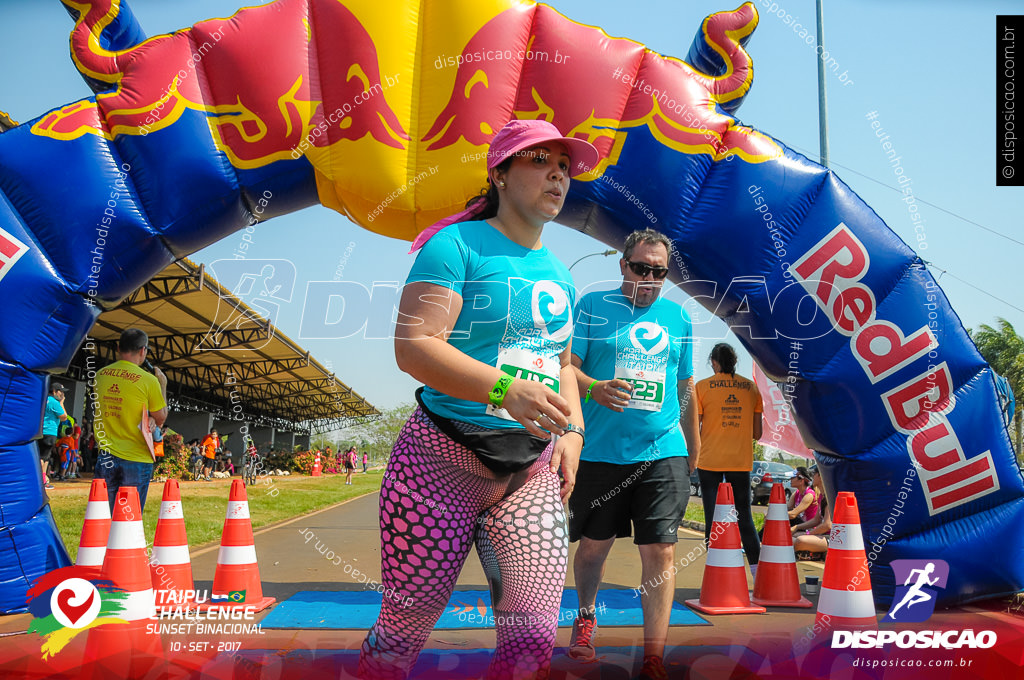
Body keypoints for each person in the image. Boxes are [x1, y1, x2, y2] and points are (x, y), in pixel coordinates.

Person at [359, 119, 595, 680]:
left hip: (530, 469)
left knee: (533, 631)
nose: (557, 176)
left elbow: (562, 363)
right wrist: (503, 389)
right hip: (439, 462)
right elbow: (414, 345)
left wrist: (575, 434)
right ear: (500, 173)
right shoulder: (454, 246)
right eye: (540, 162)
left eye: (564, 168)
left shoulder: (560, 274)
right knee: (407, 621)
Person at [567, 229, 699, 680]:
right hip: (600, 452)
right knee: (593, 548)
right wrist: (595, 390)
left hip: (662, 451)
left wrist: (691, 450)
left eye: (659, 272)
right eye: (641, 267)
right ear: (623, 264)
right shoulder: (591, 306)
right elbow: (568, 370)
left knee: (660, 552)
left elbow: (685, 388)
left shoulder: (679, 318)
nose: (649, 278)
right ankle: (585, 617)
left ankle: (653, 656)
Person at [695, 343, 764, 579]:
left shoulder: (702, 387)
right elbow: (757, 434)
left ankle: (716, 577)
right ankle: (757, 574)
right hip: (739, 462)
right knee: (744, 517)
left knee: (712, 517)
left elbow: (695, 428)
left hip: (709, 461)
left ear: (713, 362)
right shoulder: (751, 388)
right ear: (734, 361)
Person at [93, 328, 168, 512]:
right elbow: (161, 417)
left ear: (118, 347)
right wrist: (163, 385)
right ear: (143, 351)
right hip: (136, 457)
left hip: (105, 455)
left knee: (102, 516)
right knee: (129, 519)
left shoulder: (100, 375)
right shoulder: (149, 380)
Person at [793, 465, 830, 559]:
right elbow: (816, 520)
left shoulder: (830, 497)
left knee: (799, 541)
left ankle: (817, 552)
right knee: (792, 537)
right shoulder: (822, 496)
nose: (812, 477)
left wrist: (808, 534)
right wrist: (797, 527)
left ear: (821, 476)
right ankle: (813, 552)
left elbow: (827, 525)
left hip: (832, 538)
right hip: (822, 534)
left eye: (814, 474)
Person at [39, 382, 69, 490]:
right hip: (50, 431)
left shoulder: (43, 399)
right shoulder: (54, 402)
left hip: (40, 431)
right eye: (61, 392)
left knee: (43, 456)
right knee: (44, 457)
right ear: (54, 392)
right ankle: (41, 481)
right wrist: (61, 403)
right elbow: (64, 417)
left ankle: (41, 478)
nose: (62, 395)